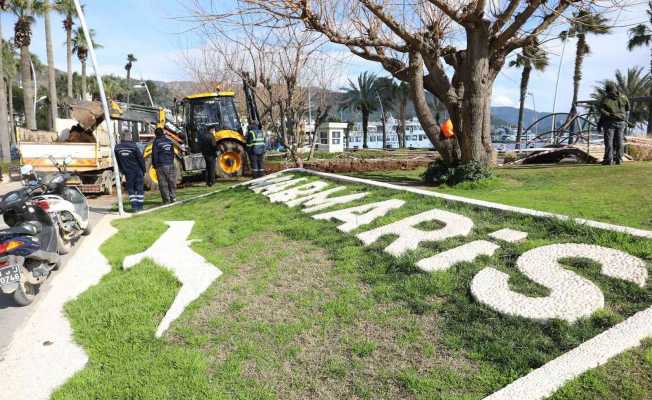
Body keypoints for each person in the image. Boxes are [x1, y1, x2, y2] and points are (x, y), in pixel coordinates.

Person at [599, 82, 630, 165]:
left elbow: (602, 112)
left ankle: (609, 160)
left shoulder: (606, 99)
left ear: (608, 90)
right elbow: (627, 110)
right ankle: (619, 159)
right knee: (619, 141)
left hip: (609, 122)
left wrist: (600, 124)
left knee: (609, 141)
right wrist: (625, 120)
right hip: (621, 122)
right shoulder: (624, 97)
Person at [114, 132, 146, 212]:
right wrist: (144, 170)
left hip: (127, 172)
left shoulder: (117, 148)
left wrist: (122, 170)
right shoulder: (134, 146)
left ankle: (134, 207)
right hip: (137, 170)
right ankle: (140, 207)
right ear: (130, 138)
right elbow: (140, 159)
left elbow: (117, 161)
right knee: (139, 188)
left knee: (130, 189)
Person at [152, 127, 177, 204]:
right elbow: (172, 153)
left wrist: (155, 165)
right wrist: (171, 161)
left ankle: (166, 200)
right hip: (170, 164)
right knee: (171, 181)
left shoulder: (156, 142)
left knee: (163, 183)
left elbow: (154, 155)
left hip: (161, 165)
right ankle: (173, 197)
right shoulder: (169, 141)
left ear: (156, 134)